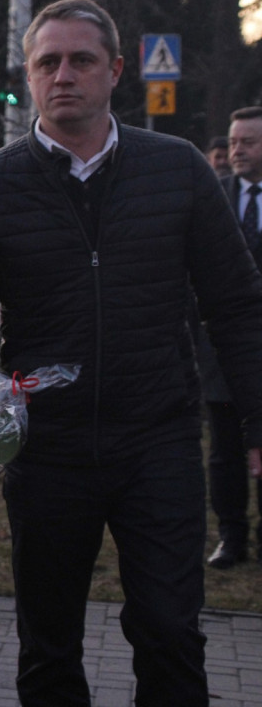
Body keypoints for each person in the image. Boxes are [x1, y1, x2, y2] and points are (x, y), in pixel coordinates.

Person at [0, 0, 262, 707]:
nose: (64, 75)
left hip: (160, 443)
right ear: (30, 73)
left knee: (171, 634)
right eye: (48, 62)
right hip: (49, 452)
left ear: (115, 71)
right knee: (48, 648)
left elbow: (237, 307)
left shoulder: (177, 171)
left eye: (81, 60)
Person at [199, 106, 262, 569]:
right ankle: (232, 536)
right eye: (234, 141)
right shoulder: (213, 196)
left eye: (249, 142)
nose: (237, 150)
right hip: (221, 349)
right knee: (224, 451)